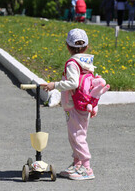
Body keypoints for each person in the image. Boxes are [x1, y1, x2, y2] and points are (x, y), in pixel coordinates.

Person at [42, 28, 97, 181]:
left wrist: (55, 85)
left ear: (67, 46)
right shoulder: (87, 62)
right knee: (77, 134)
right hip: (84, 103)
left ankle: (86, 167)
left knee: (77, 136)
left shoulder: (73, 63)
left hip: (74, 104)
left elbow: (73, 83)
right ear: (86, 46)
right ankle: (77, 163)